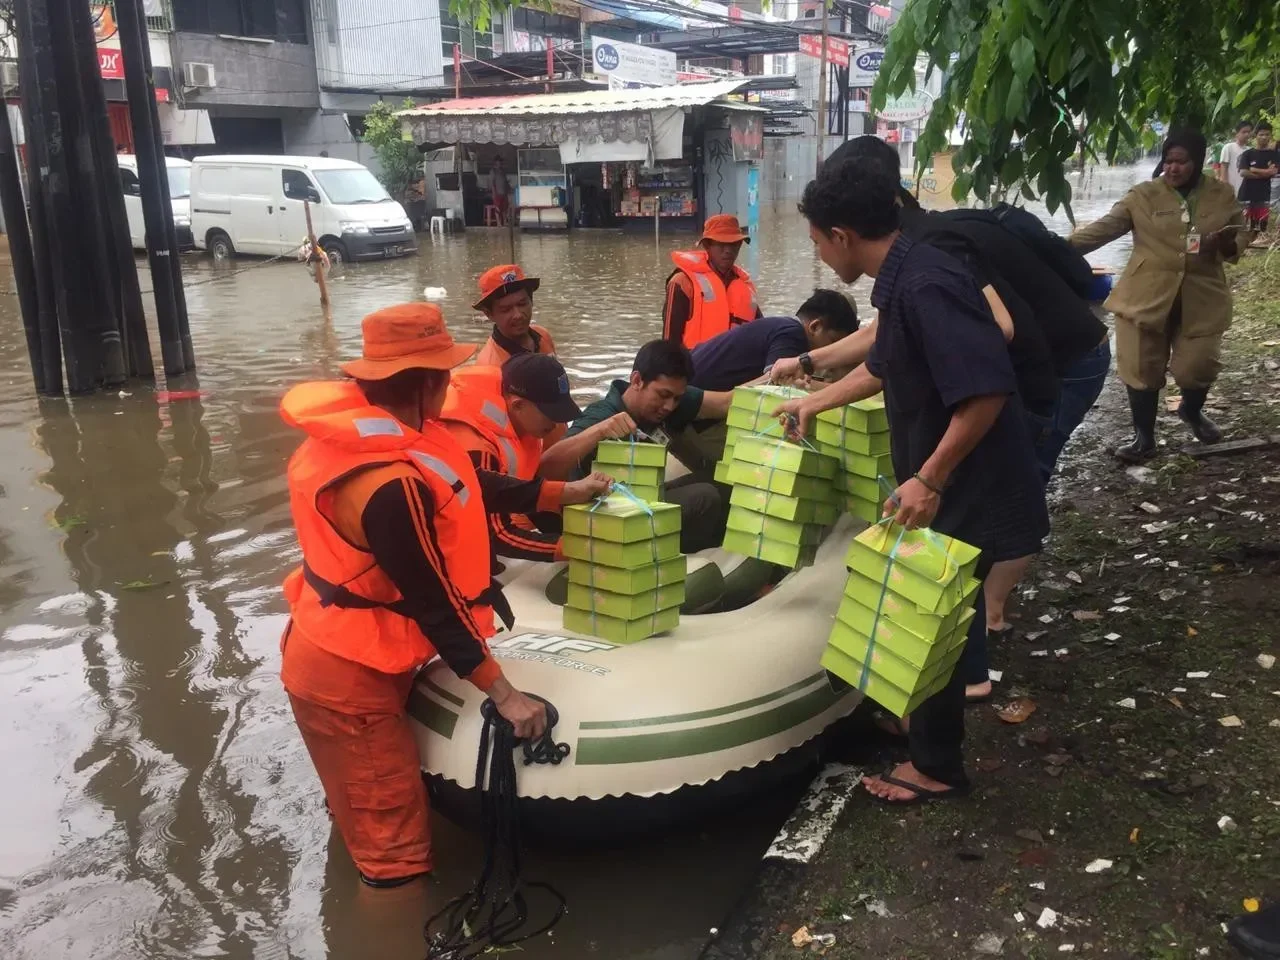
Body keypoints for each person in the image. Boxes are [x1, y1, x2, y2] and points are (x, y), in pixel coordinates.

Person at [278, 302, 611, 888]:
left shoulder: (393, 440)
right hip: (347, 677)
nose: (453, 384)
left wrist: (565, 493)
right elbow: (435, 602)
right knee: (395, 855)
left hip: (330, 643)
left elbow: (471, 483)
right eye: (445, 374)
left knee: (361, 810)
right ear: (428, 382)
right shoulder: (389, 486)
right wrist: (505, 695)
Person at [775, 155, 1048, 804]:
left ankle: (936, 768)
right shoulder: (902, 275)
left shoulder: (925, 282)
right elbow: (887, 364)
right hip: (950, 475)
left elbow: (985, 390)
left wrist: (929, 478)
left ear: (842, 235)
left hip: (967, 479)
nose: (816, 253)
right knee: (930, 611)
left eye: (816, 240)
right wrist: (815, 401)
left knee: (933, 615)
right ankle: (920, 727)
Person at [1071, 127, 1244, 462]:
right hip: (1144, 296)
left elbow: (1238, 242)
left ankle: (1191, 412)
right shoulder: (1143, 196)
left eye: (1182, 161)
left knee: (1198, 366)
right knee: (1141, 367)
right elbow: (1102, 231)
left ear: (1199, 161)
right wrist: (1052, 248)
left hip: (1202, 296)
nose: (1173, 168)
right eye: (1168, 160)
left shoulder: (1222, 196)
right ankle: (1143, 438)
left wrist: (1225, 243)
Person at [541, 339, 733, 553]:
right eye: (663, 395)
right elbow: (546, 467)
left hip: (640, 498)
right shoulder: (602, 414)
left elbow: (726, 402)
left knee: (723, 480)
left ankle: (721, 555)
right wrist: (599, 431)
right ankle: (680, 563)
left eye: (677, 398)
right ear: (637, 380)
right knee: (704, 497)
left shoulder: (668, 402)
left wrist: (773, 376)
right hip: (602, 513)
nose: (669, 406)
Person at [441, 353, 581, 562]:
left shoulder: (522, 424)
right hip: (449, 549)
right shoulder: (478, 447)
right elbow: (496, 534)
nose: (556, 423)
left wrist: (570, 532)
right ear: (518, 405)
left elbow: (524, 493)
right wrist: (578, 550)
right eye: (550, 413)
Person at [689, 289, 859, 392]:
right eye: (834, 342)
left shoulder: (781, 325)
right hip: (693, 397)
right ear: (815, 327)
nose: (834, 350)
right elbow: (777, 386)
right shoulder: (794, 334)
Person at [663, 214, 763, 349]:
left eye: (733, 244)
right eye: (721, 244)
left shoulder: (746, 287)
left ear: (740, 245)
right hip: (695, 366)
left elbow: (762, 332)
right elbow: (669, 344)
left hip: (738, 366)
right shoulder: (682, 283)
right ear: (707, 246)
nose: (728, 250)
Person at [472, 264, 558, 367]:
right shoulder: (490, 365)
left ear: (531, 301)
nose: (518, 315)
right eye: (506, 309)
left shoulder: (543, 335)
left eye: (522, 304)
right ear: (489, 314)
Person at [1238, 121, 1278, 234]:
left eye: (1267, 134)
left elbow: (1273, 172)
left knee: (1262, 226)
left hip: (1264, 194)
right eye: (1261, 134)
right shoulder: (1247, 154)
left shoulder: (1274, 154)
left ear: (1271, 136)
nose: (1264, 137)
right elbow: (1243, 172)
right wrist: (1265, 173)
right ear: (1256, 136)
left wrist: (1254, 170)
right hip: (1246, 193)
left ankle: (1259, 243)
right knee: (1246, 225)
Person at [1217, 121, 1253, 196]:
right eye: (1244, 132)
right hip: (1231, 189)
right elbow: (1223, 169)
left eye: (1249, 132)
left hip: (1246, 190)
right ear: (1237, 133)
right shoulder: (1228, 148)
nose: (1247, 134)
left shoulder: (1251, 150)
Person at [490, 156, 510, 224]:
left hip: (504, 193)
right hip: (497, 193)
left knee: (504, 209)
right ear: (495, 162)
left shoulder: (503, 171)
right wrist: (493, 194)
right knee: (498, 209)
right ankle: (499, 224)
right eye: (498, 161)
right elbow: (492, 183)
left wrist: (508, 188)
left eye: (501, 162)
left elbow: (506, 181)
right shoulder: (493, 171)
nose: (500, 163)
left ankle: (505, 222)